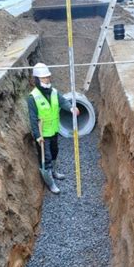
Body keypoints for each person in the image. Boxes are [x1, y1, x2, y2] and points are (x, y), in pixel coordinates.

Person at [28, 63, 80, 194]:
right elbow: (33, 118)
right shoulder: (33, 97)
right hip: (42, 134)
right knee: (46, 157)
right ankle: (50, 183)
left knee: (55, 151)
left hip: (54, 131)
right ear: (37, 80)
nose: (47, 79)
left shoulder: (54, 92)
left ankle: (54, 172)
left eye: (48, 77)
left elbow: (63, 101)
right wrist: (37, 136)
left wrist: (71, 108)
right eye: (44, 78)